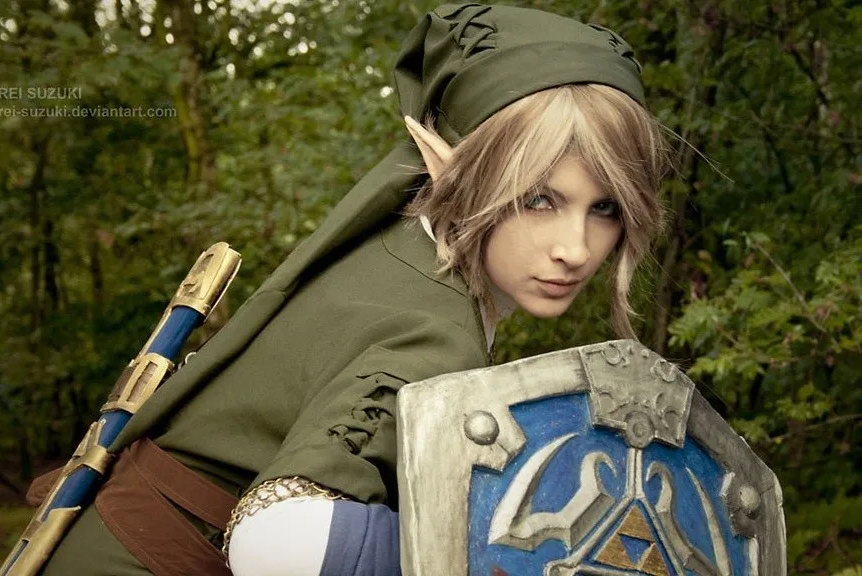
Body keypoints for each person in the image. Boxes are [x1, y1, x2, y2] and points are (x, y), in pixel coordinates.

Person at [36, 3, 667, 575]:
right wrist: (496, 550)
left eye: (605, 208)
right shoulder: (434, 330)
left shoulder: (396, 248)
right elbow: (279, 540)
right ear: (447, 163)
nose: (575, 248)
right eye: (539, 199)